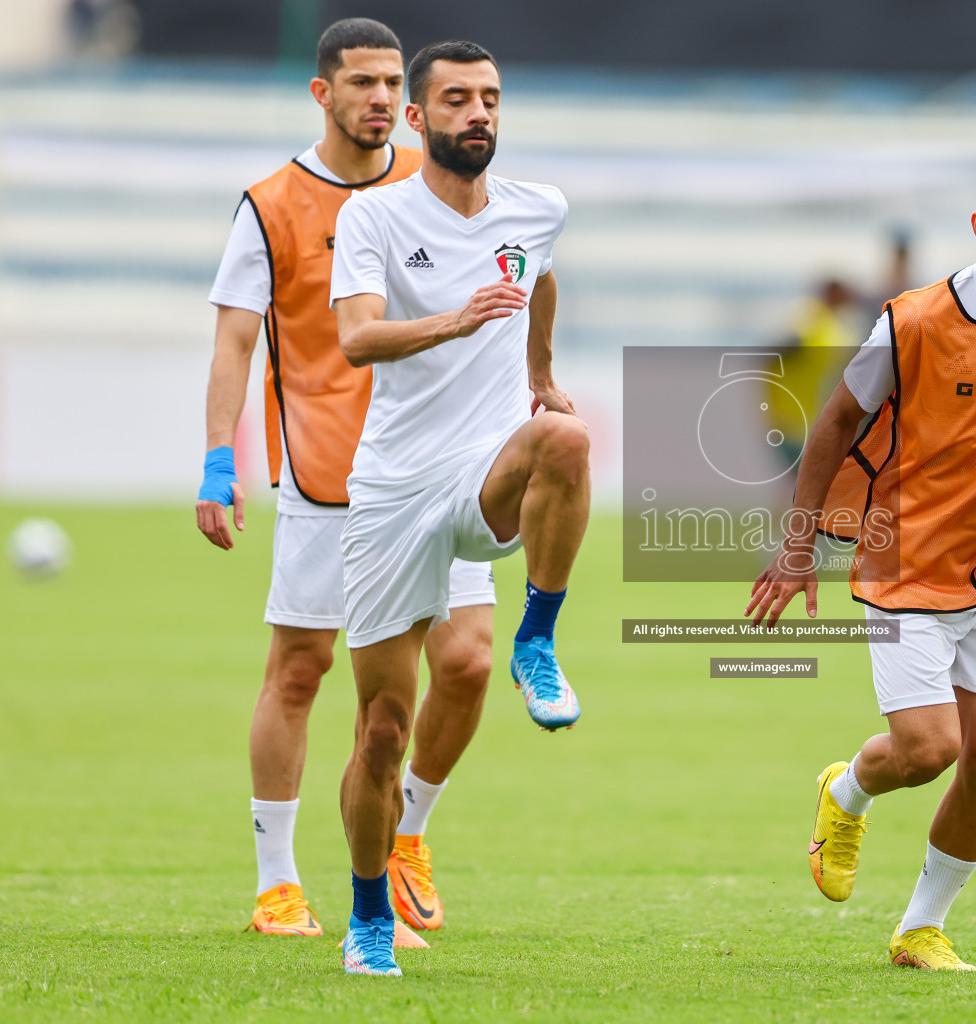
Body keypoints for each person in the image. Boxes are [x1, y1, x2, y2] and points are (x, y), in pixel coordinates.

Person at [747, 151, 976, 970]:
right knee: (927, 749)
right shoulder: (912, 321)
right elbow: (836, 424)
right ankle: (845, 792)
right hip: (903, 555)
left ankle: (921, 928)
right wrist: (800, 542)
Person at [195, 18, 500, 945]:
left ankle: (406, 834)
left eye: (386, 84)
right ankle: (277, 884)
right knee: (301, 670)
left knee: (470, 661)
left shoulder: (435, 186)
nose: (376, 99)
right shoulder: (273, 203)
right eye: (359, 83)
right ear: (322, 93)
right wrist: (218, 458)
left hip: (436, 475)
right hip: (328, 484)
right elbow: (236, 340)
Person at [328, 39, 590, 977]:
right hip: (395, 489)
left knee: (566, 438)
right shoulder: (374, 217)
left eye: (490, 99)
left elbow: (541, 272)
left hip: (484, 472)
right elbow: (357, 342)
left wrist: (542, 374)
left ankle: (540, 636)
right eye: (457, 100)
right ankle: (366, 915)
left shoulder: (537, 207)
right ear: (417, 118)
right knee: (381, 731)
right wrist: (460, 318)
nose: (478, 113)